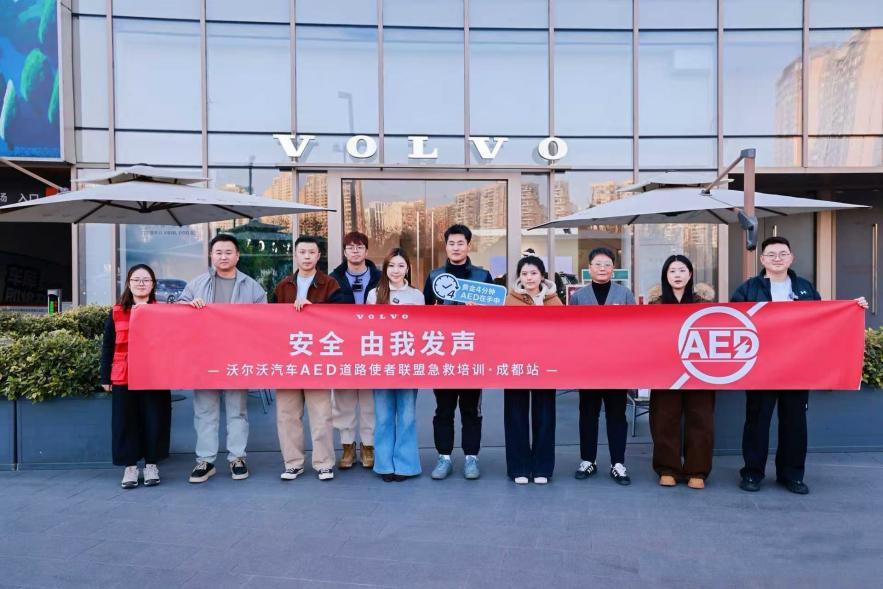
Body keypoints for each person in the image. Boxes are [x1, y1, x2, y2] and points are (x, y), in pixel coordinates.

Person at [732, 236, 868, 495]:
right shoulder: (748, 289)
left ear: (791, 258)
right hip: (760, 367)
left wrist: (854, 308)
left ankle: (792, 475)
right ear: (762, 259)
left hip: (797, 366)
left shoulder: (805, 288)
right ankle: (752, 473)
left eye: (783, 254)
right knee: (756, 422)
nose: (777, 258)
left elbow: (824, 321)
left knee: (794, 423)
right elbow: (735, 322)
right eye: (771, 254)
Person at [179, 234, 267, 484]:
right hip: (205, 357)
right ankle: (205, 461)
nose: (223, 256)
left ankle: (237, 458)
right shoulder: (196, 285)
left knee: (237, 411)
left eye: (229, 252)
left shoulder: (252, 287)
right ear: (211, 255)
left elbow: (264, 322)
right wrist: (189, 307)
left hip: (237, 357)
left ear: (237, 256)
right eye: (218, 252)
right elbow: (178, 315)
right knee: (205, 411)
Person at [423, 223, 494, 480]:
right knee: (443, 409)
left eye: (460, 243)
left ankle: (471, 458)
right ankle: (444, 458)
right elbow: (423, 315)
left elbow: (495, 318)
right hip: (442, 354)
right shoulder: (434, 277)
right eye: (451, 243)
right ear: (446, 246)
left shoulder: (482, 277)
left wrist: (481, 311)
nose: (456, 248)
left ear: (468, 246)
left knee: (471, 410)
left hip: (472, 354)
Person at [273, 235, 344, 481]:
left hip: (318, 359)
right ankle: (293, 462)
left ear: (318, 256)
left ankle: (324, 463)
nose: (306, 256)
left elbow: (340, 317)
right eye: (302, 252)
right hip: (288, 359)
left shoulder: (330, 284)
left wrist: (314, 309)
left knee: (321, 414)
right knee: (287, 414)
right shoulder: (283, 285)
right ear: (295, 255)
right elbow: (270, 320)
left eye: (311, 252)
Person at [99, 264, 171, 489]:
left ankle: (151, 465)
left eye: (146, 280)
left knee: (154, 419)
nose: (141, 283)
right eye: (136, 279)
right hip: (124, 375)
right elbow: (108, 346)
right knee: (125, 421)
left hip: (155, 376)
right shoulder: (116, 312)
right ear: (129, 284)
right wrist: (105, 377)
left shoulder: (163, 312)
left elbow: (174, 342)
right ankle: (130, 467)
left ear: (153, 284)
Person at [647, 255, 716, 489]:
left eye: (682, 270)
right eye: (672, 271)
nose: (677, 275)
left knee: (701, 419)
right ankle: (668, 469)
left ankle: (698, 470)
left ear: (690, 274)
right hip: (664, 370)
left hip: (699, 369)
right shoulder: (655, 305)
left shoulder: (704, 305)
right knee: (664, 419)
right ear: (665, 276)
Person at [570, 246, 636, 485]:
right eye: (597, 264)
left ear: (613, 268)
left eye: (607, 264)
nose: (602, 268)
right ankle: (588, 460)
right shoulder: (578, 297)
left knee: (617, 415)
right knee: (588, 414)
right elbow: (571, 331)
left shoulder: (624, 294)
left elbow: (634, 328)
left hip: (616, 366)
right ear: (589, 268)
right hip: (588, 366)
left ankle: (618, 463)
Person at [366, 248, 425, 482]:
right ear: (385, 268)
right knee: (383, 416)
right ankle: (384, 465)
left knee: (407, 416)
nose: (396, 270)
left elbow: (422, 332)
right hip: (381, 364)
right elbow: (368, 330)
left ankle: (405, 465)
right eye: (391, 265)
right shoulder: (374, 295)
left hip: (408, 364)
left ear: (407, 268)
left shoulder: (416, 296)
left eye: (401, 265)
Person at [503, 255, 561, 485]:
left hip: (546, 365)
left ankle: (542, 468)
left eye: (534, 273)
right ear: (519, 276)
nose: (529, 278)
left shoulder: (554, 301)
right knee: (515, 415)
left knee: (545, 416)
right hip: (515, 365)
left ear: (542, 276)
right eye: (524, 273)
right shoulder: (509, 300)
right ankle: (518, 467)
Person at [329, 231, 381, 470]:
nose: (355, 251)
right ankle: (347, 446)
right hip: (343, 347)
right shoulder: (332, 279)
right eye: (350, 247)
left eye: (360, 247)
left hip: (373, 346)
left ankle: (368, 446)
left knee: (370, 401)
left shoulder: (381, 278)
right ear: (344, 252)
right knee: (344, 400)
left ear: (366, 251)